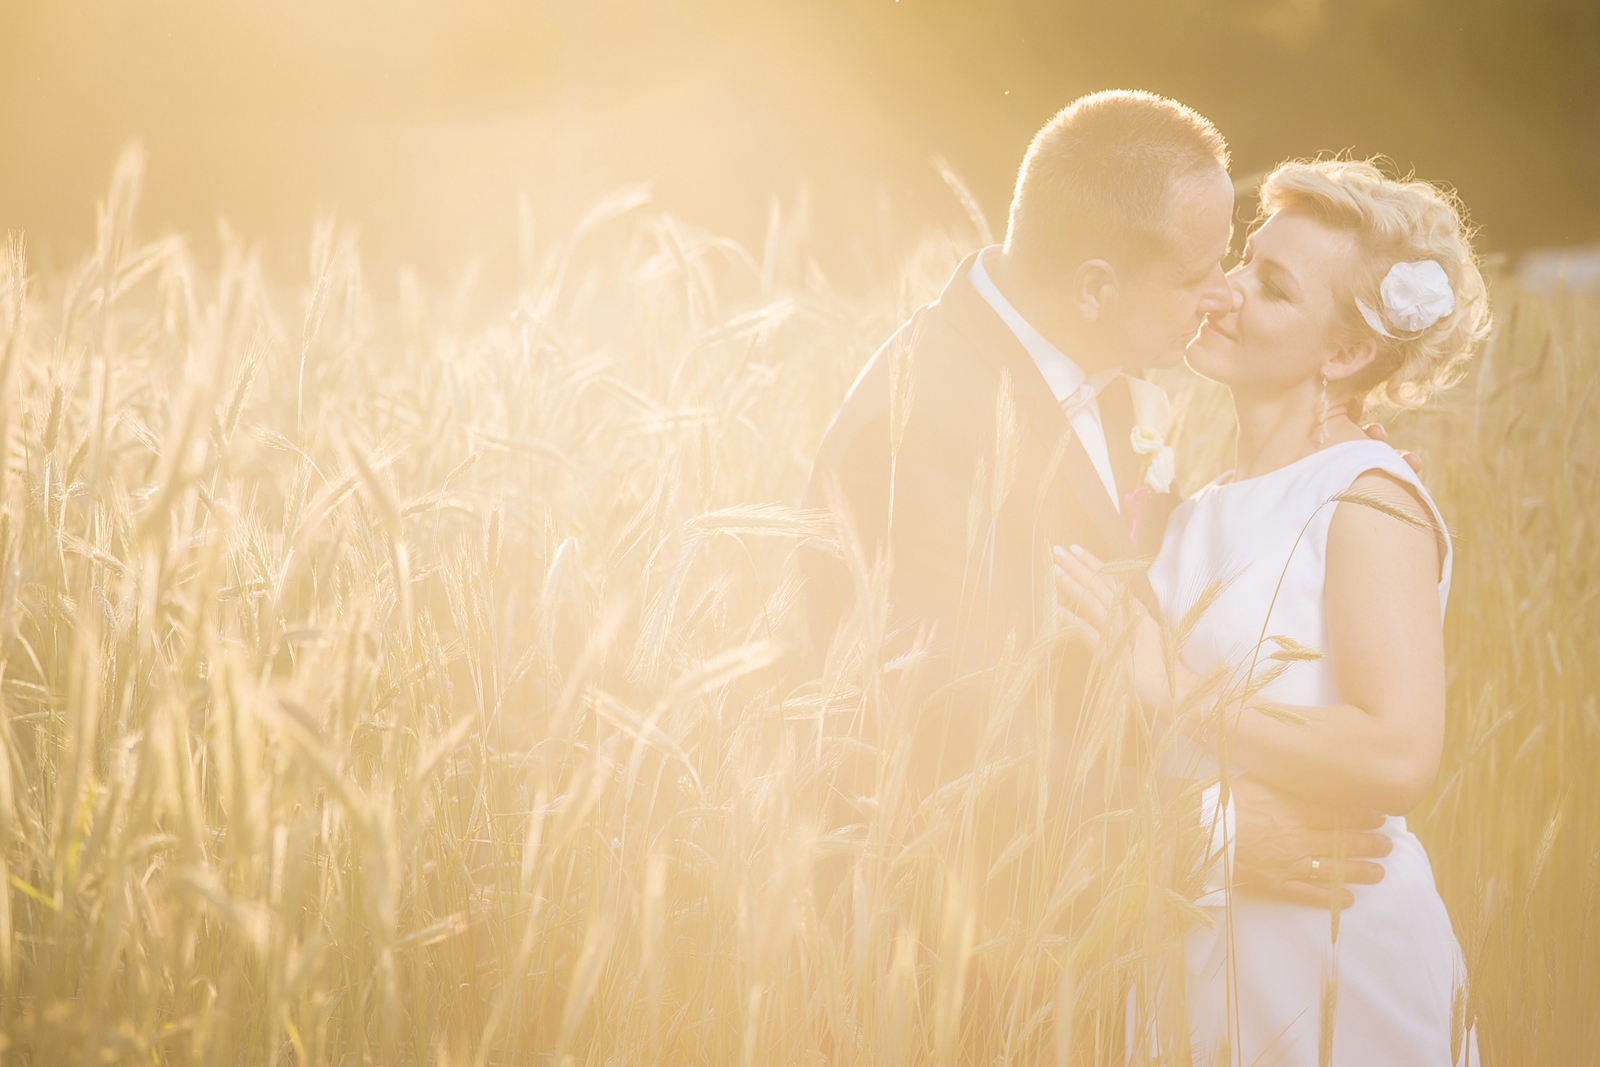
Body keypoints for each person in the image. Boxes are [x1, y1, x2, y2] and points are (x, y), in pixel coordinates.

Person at [802, 91, 1396, 930]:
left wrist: (1327, 476)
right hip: (961, 960)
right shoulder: (920, 430)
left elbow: (1137, 570)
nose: (1221, 295)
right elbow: (940, 733)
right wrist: (1204, 831)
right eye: (1197, 276)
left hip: (1099, 945)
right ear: (1095, 287)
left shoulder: (1099, 363)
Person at [1054, 157, 1490, 1065]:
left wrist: (1177, 688)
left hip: (1335, 960)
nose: (1227, 291)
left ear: (1344, 354)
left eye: (1274, 287)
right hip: (1202, 933)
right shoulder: (1197, 506)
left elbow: (1400, 754)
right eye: (1247, 259)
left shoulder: (1368, 496)